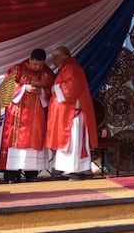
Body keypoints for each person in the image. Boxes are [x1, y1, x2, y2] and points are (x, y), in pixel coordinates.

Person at [0, 49, 55, 183]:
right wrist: (24, 88)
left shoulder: (46, 72)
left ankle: (31, 174)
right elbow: (7, 86)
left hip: (36, 114)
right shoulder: (18, 69)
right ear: (30, 59)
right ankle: (12, 174)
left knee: (34, 143)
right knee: (14, 142)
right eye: (35, 64)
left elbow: (51, 89)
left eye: (40, 65)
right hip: (17, 113)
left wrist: (41, 91)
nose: (37, 67)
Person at [46, 46, 98, 181]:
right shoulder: (66, 67)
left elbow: (72, 88)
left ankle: (75, 169)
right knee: (71, 142)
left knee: (73, 142)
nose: (53, 60)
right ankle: (70, 169)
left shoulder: (71, 67)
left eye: (54, 57)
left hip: (71, 114)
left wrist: (55, 88)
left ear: (61, 57)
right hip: (66, 113)